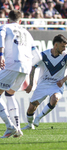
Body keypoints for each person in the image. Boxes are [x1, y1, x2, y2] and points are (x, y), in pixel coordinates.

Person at [0, 10, 41, 138]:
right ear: (21, 20)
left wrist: (1, 55)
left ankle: (10, 126)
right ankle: (17, 128)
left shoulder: (5, 27)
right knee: (10, 94)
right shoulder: (27, 33)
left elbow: (1, 39)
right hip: (25, 67)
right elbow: (38, 56)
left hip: (12, 65)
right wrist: (27, 65)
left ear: (8, 19)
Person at [21, 34, 67, 130]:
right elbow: (33, 67)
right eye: (63, 46)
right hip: (43, 85)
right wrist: (31, 84)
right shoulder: (43, 55)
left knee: (55, 99)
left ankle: (38, 118)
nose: (64, 49)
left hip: (56, 85)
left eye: (65, 46)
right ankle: (30, 125)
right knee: (31, 108)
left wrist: (63, 80)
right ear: (56, 45)